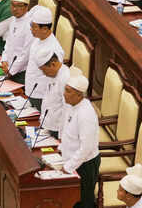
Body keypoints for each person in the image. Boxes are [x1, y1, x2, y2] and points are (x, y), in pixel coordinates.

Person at [58, 73, 100, 207]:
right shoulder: (71, 105)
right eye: (65, 89)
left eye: (68, 91)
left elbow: (86, 148)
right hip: (72, 160)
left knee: (84, 201)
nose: (64, 94)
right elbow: (68, 131)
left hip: (85, 164)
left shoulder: (85, 114)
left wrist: (69, 167)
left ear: (79, 95)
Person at [24, 5, 63, 106]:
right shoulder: (38, 39)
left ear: (45, 29)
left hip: (41, 96)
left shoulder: (54, 49)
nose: (31, 29)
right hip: (30, 90)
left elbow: (54, 77)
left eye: (34, 27)